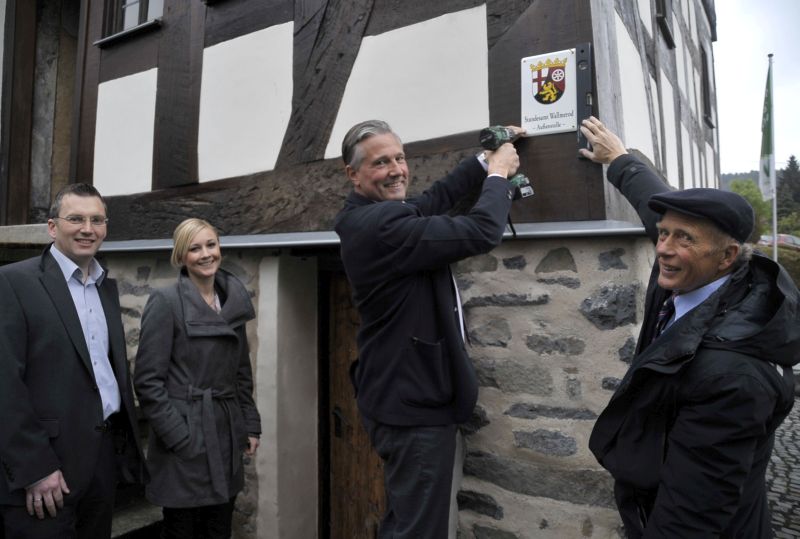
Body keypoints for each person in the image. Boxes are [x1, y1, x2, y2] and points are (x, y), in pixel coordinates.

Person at [580, 116, 800, 537]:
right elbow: (655, 205)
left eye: (683, 239)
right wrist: (620, 160)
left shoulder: (730, 375)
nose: (663, 249)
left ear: (727, 255)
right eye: (663, 234)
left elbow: (692, 516)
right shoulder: (695, 275)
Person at [334, 119, 524, 538]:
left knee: (406, 521)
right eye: (381, 163)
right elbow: (480, 231)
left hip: (400, 397)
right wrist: (498, 176)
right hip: (413, 407)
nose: (397, 169)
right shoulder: (378, 226)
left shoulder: (373, 215)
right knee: (421, 531)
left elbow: (430, 200)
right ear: (353, 175)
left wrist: (480, 161)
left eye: (400, 158)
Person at [0, 183, 147, 538]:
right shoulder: (13, 282)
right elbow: (5, 384)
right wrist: (34, 467)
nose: (87, 229)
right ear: (52, 227)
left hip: (101, 460)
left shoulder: (105, 285)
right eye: (76, 219)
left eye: (97, 220)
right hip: (46, 469)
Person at [134, 218, 261, 539]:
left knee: (219, 526)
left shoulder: (233, 299)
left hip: (225, 431)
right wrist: (178, 435)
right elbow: (148, 381)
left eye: (211, 245)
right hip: (184, 435)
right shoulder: (166, 302)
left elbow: (241, 371)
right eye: (195, 248)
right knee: (182, 531)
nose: (206, 254)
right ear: (181, 256)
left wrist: (249, 423)